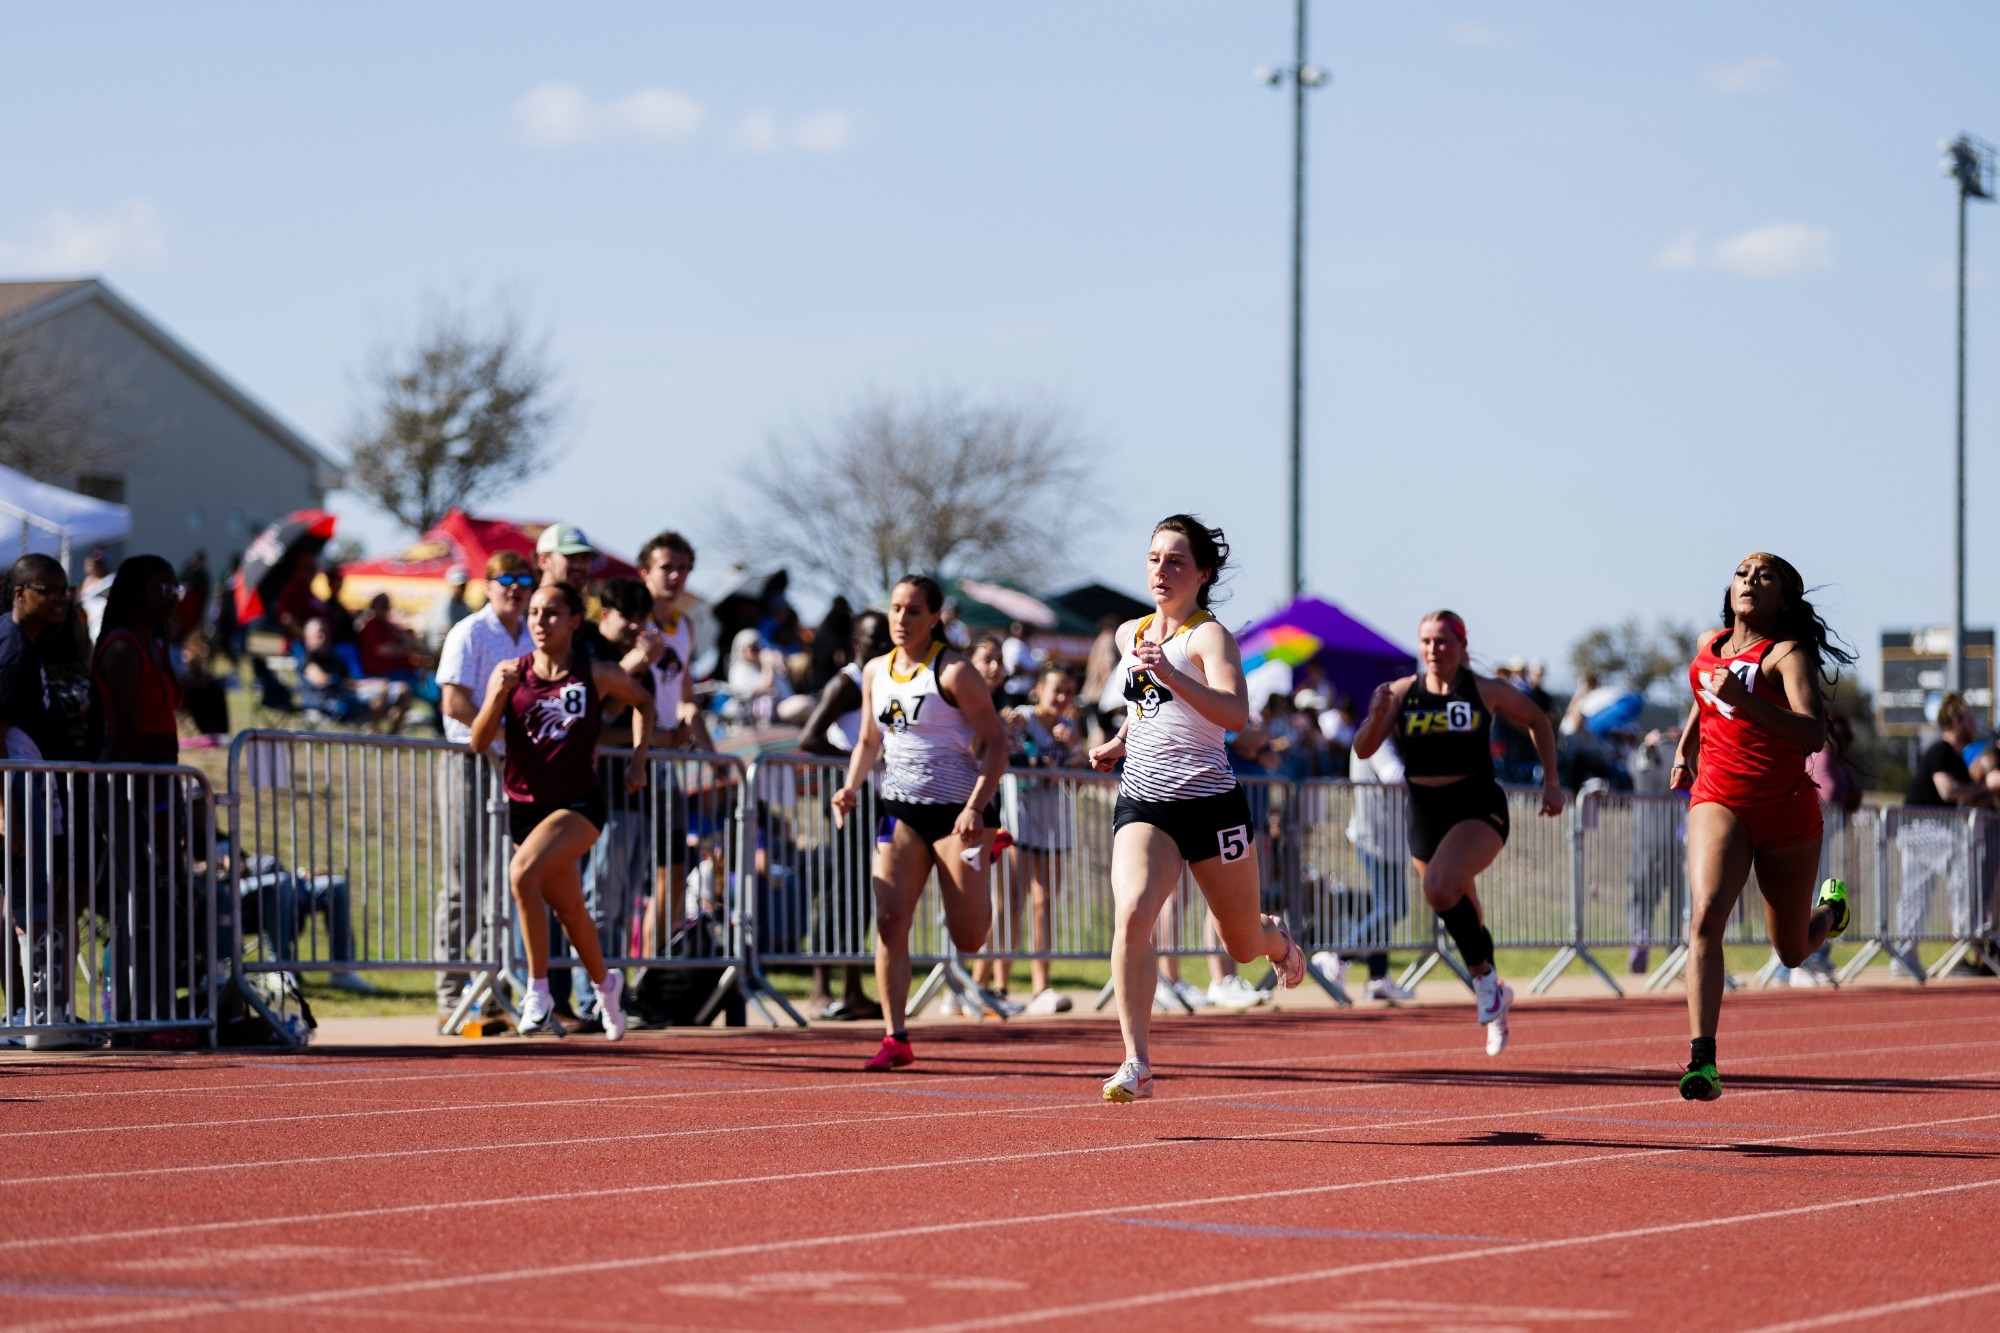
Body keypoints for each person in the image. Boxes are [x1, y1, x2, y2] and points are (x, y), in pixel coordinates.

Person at [1088, 516, 1304, 1102]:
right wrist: (1120, 742)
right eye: (1155, 558)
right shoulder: (1128, 633)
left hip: (1211, 806)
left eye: (1176, 561)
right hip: (1145, 803)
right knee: (1133, 911)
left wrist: (1172, 676)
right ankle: (1137, 1063)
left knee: (1240, 944)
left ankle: (1276, 940)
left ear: (1202, 573)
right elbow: (1145, 709)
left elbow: (1236, 715)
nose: (1162, 570)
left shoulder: (1210, 638)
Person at [1668, 552, 1857, 1101]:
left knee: (1793, 951)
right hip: (1718, 799)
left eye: (1764, 577)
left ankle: (1832, 913)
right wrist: (1685, 748)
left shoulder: (1787, 653)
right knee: (1705, 916)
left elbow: (1811, 735)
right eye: (1742, 574)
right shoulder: (1710, 642)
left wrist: (1745, 701)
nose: (1749, 581)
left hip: (1786, 811)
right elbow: (1705, 697)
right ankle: (1703, 1061)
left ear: (1784, 600)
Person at [1353, 610, 1562, 1057]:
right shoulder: (1403, 693)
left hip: (1477, 807)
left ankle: (1485, 981)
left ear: (1462, 646)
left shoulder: (1485, 690)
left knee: (1439, 886)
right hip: (1425, 814)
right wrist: (1373, 718)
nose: (1433, 650)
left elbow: (1539, 720)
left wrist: (1552, 784)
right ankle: (1497, 993)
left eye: (1443, 641)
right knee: (1462, 906)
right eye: (1426, 641)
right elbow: (1364, 748)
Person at [830, 575, 1009, 1072]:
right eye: (895, 609)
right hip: (901, 809)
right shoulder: (873, 672)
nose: (901, 620)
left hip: (959, 817)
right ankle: (896, 1036)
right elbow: (869, 741)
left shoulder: (953, 673)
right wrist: (850, 787)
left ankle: (989, 848)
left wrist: (977, 806)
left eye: (912, 611)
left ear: (935, 617)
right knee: (890, 921)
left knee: (969, 938)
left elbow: (997, 742)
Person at [468, 581, 654, 1040]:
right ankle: (607, 985)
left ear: (574, 621)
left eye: (551, 613)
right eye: (534, 612)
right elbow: (477, 742)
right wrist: (496, 695)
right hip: (525, 805)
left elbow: (644, 704)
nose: (539, 621)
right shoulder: (510, 673)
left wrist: (637, 761)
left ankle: (538, 990)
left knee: (521, 875)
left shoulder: (596, 673)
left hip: (578, 805)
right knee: (570, 911)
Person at [431, 550, 536, 1027]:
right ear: (488, 585)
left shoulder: (533, 634)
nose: (515, 587)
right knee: (464, 884)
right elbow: (453, 702)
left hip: (513, 769)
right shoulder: (471, 631)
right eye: (506, 579)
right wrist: (498, 737)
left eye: (524, 579)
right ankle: (451, 993)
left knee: (505, 885)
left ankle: (491, 990)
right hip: (470, 763)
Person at [91, 555, 189, 1031]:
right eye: (160, 588)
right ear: (135, 591)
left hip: (155, 781)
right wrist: (149, 799)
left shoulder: (154, 643)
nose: (171, 597)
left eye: (176, 588)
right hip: (130, 783)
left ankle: (153, 1003)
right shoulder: (123, 647)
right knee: (138, 896)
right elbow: (126, 732)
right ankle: (128, 1008)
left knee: (154, 895)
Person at [797, 607, 893, 1022]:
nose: (884, 646)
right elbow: (810, 738)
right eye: (875, 639)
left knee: (863, 893)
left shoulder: (884, 681)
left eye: (888, 639)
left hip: (877, 797)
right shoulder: (848, 683)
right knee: (842, 889)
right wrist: (860, 760)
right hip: (849, 797)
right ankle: (821, 990)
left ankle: (852, 988)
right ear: (857, 644)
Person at [1, 555, 78, 1044]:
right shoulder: (10, 648)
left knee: (25, 902)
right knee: (28, 903)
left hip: (28, 781)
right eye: (47, 590)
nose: (58, 600)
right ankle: (28, 1016)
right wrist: (5, 807)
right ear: (19, 593)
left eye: (64, 591)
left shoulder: (27, 646)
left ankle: (30, 1013)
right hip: (15, 786)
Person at [990, 663, 1083, 1014]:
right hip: (1019, 820)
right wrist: (1008, 727)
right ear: (1039, 688)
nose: (1062, 698)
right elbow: (1004, 752)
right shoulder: (1022, 719)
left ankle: (1041, 986)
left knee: (1044, 904)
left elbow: (1080, 778)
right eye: (1057, 690)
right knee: (1012, 901)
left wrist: (1074, 749)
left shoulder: (1070, 725)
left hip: (1055, 823)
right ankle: (999, 986)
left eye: (1069, 693)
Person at [1892, 691, 1998, 979]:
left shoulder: (1958, 757)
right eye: (1970, 717)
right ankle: (1968, 932)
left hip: (1920, 830)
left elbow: (1966, 796)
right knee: (1962, 856)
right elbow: (1947, 790)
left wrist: (1983, 791)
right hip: (1922, 827)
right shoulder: (1941, 750)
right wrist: (1988, 787)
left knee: (1917, 891)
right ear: (1957, 721)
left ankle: (1905, 957)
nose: (1975, 723)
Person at [1332, 722, 1417, 1002]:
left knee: (1390, 908)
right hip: (1377, 838)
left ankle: (1377, 977)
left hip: (1387, 839)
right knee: (1392, 907)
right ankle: (1338, 956)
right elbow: (1393, 775)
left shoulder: (1378, 735)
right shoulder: (1378, 737)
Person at [1625, 727, 1686, 975]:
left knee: (1642, 893)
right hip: (1674, 838)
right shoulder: (1679, 757)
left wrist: (1646, 745)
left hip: (1645, 838)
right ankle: (1673, 946)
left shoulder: (1640, 759)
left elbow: (1631, 767)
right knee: (1677, 895)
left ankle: (1640, 934)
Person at [536, 524, 607, 658]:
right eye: (571, 556)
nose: (579, 565)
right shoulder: (520, 617)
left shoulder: (589, 631)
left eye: (585, 558)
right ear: (543, 561)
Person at [425, 567, 473, 651]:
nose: (462, 589)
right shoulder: (446, 602)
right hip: (440, 648)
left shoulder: (461, 603)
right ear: (453, 586)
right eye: (460, 586)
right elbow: (448, 631)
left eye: (464, 586)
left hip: (450, 645)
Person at [1000, 621, 1042, 706]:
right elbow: (1015, 668)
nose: (1021, 631)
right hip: (1014, 690)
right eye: (1016, 628)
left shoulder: (1023, 645)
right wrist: (1032, 672)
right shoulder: (1013, 643)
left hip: (1022, 691)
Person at [77, 549, 113, 641]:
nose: (96, 567)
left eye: (100, 563)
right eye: (95, 563)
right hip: (87, 623)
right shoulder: (87, 581)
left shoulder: (111, 581)